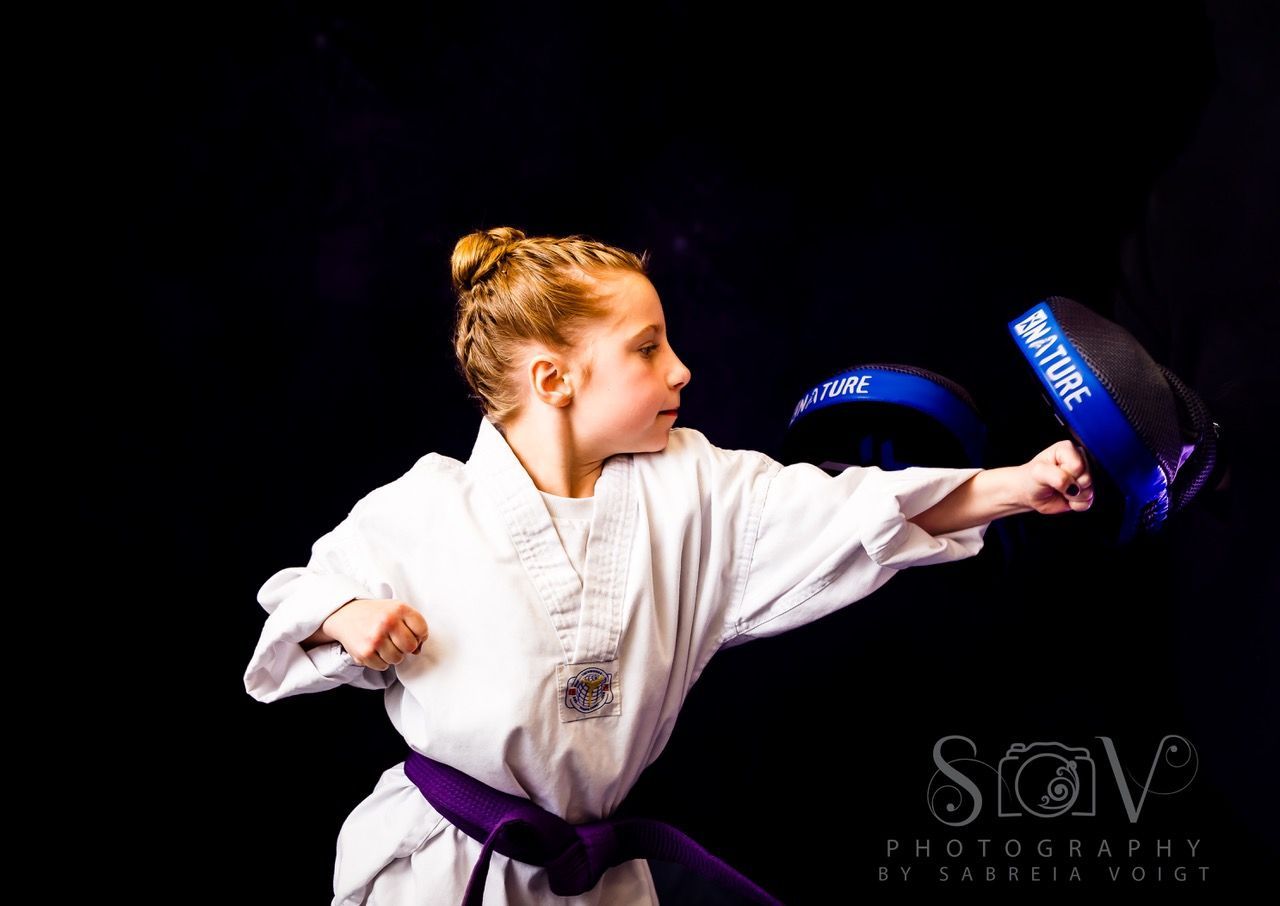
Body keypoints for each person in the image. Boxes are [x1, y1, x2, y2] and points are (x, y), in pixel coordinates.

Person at [243, 226, 1093, 905]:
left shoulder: (694, 488)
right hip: (439, 872)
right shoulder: (425, 507)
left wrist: (1014, 487)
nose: (680, 368)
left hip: (594, 879)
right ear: (554, 379)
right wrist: (348, 616)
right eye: (647, 349)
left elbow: (852, 515)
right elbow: (301, 592)